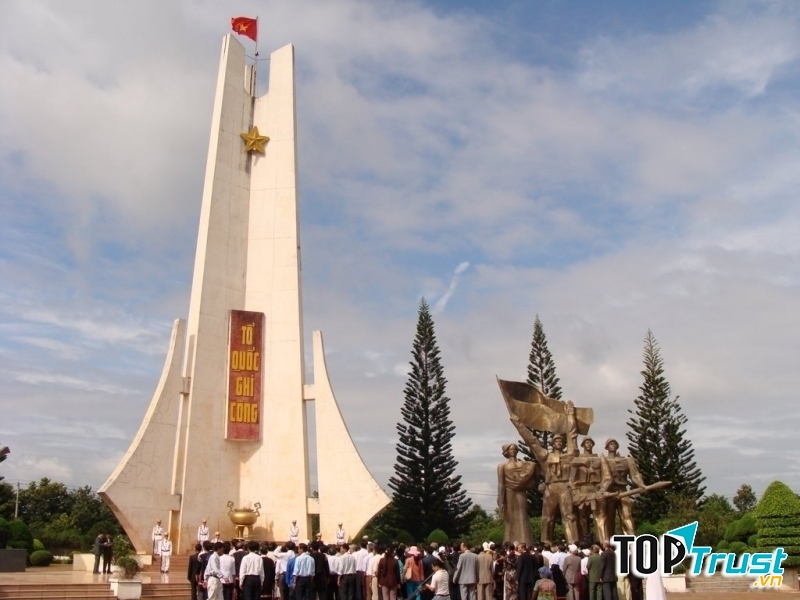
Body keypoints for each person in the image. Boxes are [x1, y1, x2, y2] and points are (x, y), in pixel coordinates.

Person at [510, 408, 579, 544]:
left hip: (565, 487)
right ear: (552, 443)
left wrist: (570, 415)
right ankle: (546, 543)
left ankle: (573, 543)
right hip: (551, 487)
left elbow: (572, 435)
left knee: (569, 516)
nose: (559, 442)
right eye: (556, 440)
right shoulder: (545, 457)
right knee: (547, 518)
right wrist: (518, 424)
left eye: (560, 440)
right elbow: (532, 441)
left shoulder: (569, 456)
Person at [599, 439, 646, 540]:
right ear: (607, 447)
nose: (613, 445)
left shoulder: (627, 460)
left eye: (615, 444)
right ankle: (610, 542)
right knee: (609, 519)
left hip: (623, 491)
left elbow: (635, 475)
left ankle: (631, 539)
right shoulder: (603, 460)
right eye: (611, 444)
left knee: (627, 516)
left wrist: (641, 485)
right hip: (610, 493)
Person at [497, 442, 537, 546]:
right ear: (506, 452)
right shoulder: (502, 466)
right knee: (509, 517)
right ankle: (508, 542)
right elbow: (501, 484)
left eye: (515, 449)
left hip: (521, 491)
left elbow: (532, 467)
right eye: (511, 449)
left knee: (522, 514)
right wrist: (501, 502)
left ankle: (526, 542)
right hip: (509, 491)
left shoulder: (523, 464)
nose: (513, 451)